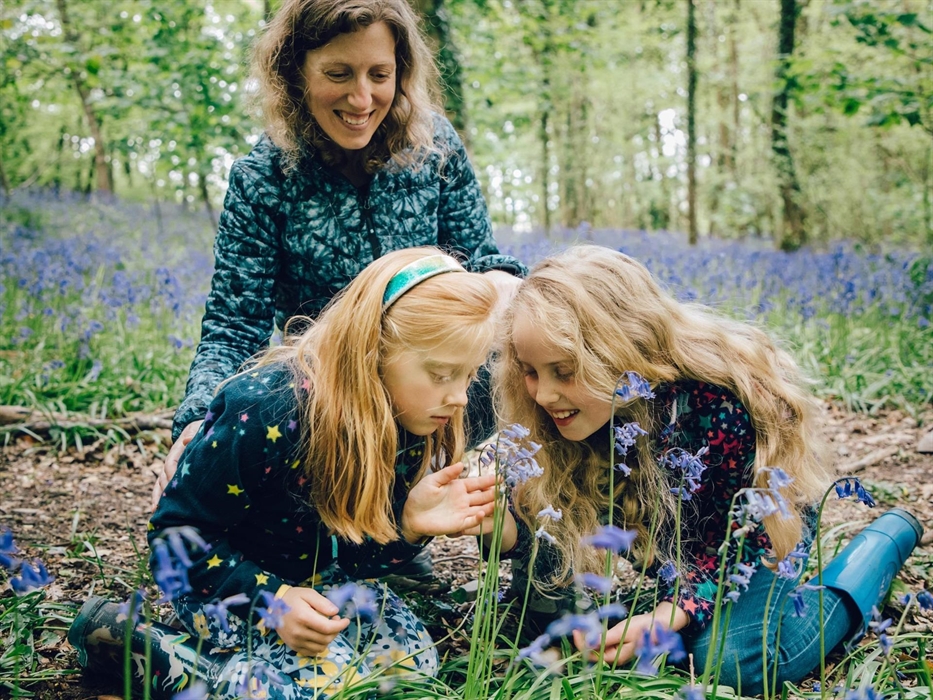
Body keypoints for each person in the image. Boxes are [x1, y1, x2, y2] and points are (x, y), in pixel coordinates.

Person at [487, 245, 923, 694]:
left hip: (761, 530)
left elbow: (749, 537)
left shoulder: (718, 403)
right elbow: (552, 516)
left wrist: (673, 612)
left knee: (735, 663)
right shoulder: (567, 412)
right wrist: (500, 525)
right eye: (531, 371)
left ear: (623, 349)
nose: (542, 395)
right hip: (672, 536)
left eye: (563, 370)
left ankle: (876, 551)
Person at [151, 0, 524, 511]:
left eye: (380, 74)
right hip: (330, 396)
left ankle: (530, 547)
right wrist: (199, 420)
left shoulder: (436, 148)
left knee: (536, 355)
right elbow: (233, 327)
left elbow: (480, 260)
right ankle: (364, 537)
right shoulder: (264, 179)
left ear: (402, 72)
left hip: (436, 378)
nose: (362, 97)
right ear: (294, 73)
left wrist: (505, 283)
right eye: (338, 73)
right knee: (266, 406)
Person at [80, 248, 500, 698]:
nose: (459, 397)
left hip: (317, 582)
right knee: (310, 689)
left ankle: (221, 671)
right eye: (441, 374)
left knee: (412, 663)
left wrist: (409, 527)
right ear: (373, 351)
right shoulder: (265, 410)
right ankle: (146, 648)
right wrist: (274, 603)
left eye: (470, 374)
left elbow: (355, 559)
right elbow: (173, 538)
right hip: (223, 589)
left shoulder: (409, 416)